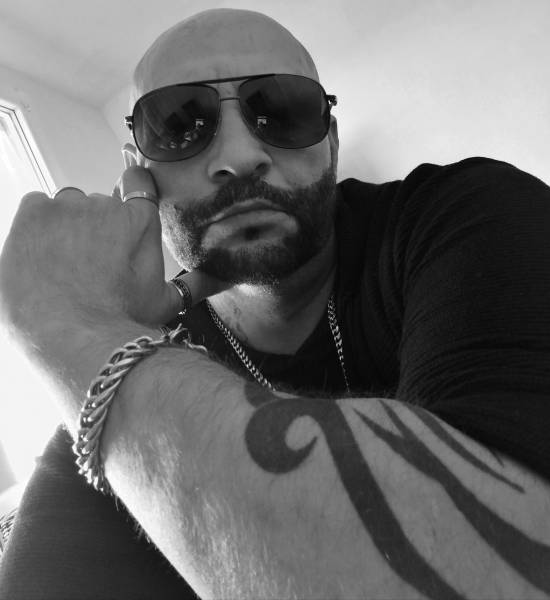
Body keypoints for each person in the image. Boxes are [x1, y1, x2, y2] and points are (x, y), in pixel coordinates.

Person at [0, 7, 550, 600]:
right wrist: (99, 336)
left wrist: (77, 331)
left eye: (283, 111)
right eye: (180, 123)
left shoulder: (467, 217)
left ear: (331, 140)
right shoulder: (132, 354)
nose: (240, 157)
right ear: (138, 170)